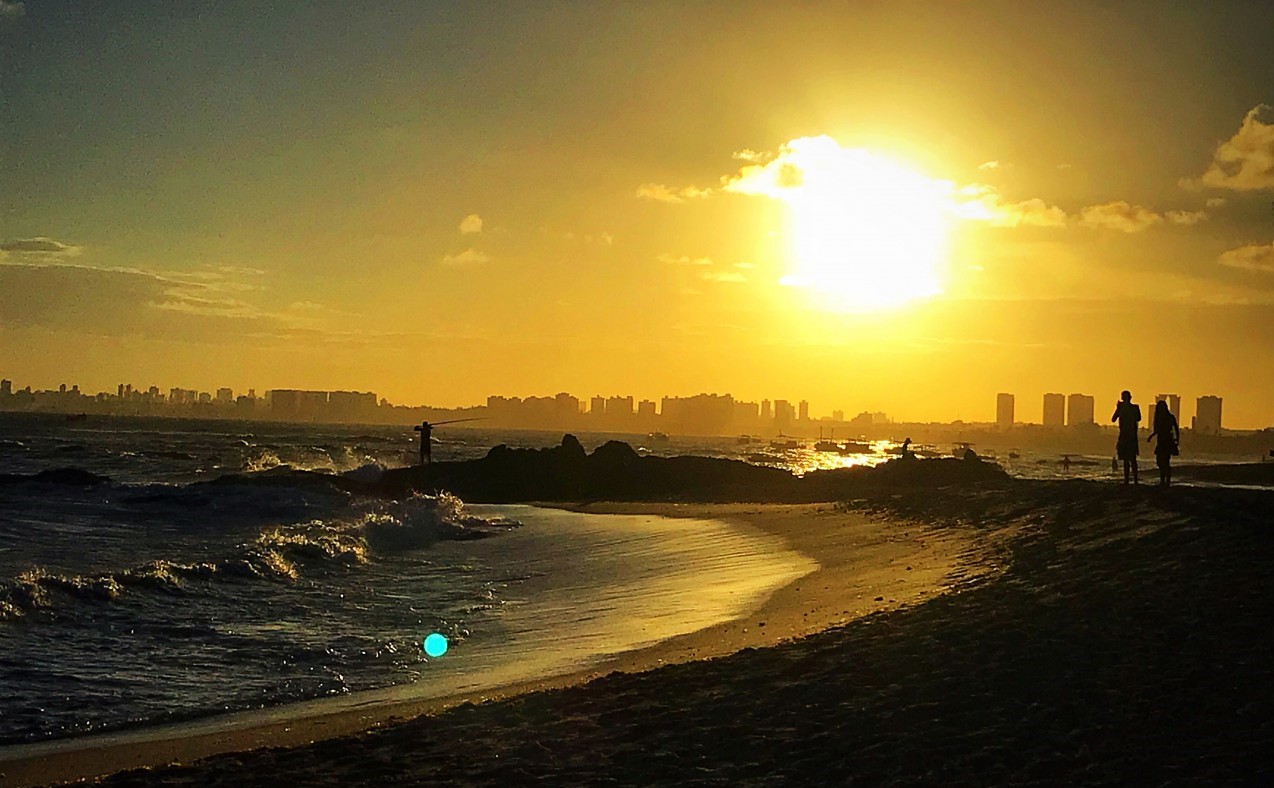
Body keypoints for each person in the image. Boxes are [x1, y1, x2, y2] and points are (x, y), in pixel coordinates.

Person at [1147, 400, 1180, 486]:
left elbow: (1175, 429)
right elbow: (1175, 429)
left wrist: (1177, 439)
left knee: (1163, 461)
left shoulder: (1166, 418)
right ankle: (1165, 481)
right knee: (1162, 462)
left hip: (1165, 441)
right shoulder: (1167, 417)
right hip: (1164, 441)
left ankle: (1165, 481)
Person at [1111, 390, 1141, 484]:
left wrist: (1120, 409)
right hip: (1127, 435)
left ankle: (1129, 480)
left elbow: (1138, 418)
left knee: (1129, 459)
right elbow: (1113, 419)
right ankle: (1131, 480)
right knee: (1129, 459)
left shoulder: (1131, 408)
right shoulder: (1133, 408)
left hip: (1128, 435)